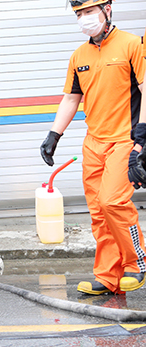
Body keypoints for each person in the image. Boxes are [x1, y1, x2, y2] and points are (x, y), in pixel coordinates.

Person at [40, 0, 146, 295]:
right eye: (79, 14)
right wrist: (54, 135)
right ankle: (108, 277)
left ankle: (137, 263)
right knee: (99, 211)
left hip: (124, 138)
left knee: (113, 202)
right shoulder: (79, 56)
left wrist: (143, 137)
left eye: (89, 12)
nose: (84, 19)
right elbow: (72, 98)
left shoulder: (134, 45)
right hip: (94, 142)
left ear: (108, 10)